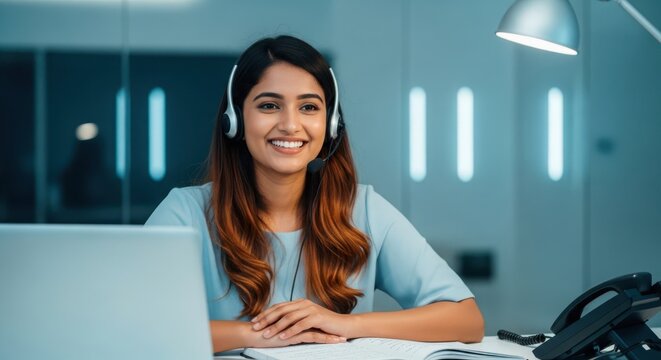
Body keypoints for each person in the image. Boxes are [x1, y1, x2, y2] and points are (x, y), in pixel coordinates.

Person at [146, 35, 484, 353]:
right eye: (268, 106)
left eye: (309, 107)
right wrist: (261, 334)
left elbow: (466, 319)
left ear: (331, 124)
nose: (291, 125)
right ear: (235, 120)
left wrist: (344, 324)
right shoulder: (185, 214)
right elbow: (137, 326)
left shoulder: (364, 210)